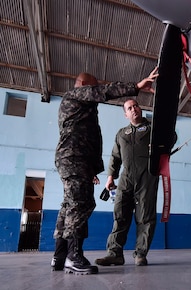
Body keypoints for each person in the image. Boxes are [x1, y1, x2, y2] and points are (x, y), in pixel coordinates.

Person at [51, 68, 159, 275]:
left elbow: (87, 138)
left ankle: (59, 255)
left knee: (68, 204)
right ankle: (74, 256)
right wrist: (135, 87)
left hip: (76, 160)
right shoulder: (75, 95)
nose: (97, 87)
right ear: (84, 86)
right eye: (94, 84)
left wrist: (92, 168)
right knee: (80, 203)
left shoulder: (83, 108)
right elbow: (104, 92)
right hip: (74, 159)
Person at [94, 98, 160, 267]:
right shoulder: (121, 133)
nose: (134, 109)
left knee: (145, 216)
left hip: (147, 176)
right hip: (126, 178)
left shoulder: (153, 128)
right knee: (120, 214)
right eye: (129, 108)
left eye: (136, 105)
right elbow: (115, 156)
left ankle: (140, 254)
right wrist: (110, 177)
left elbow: (171, 138)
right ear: (126, 114)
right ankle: (114, 254)